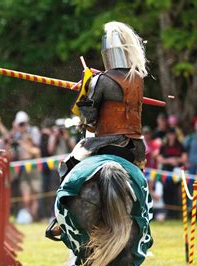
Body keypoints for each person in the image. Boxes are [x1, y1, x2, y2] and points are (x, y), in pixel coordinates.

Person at [59, 21, 148, 181]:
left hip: (104, 143)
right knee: (141, 183)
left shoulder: (101, 80)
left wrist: (86, 91)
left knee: (68, 168)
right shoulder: (139, 79)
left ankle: (64, 204)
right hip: (135, 147)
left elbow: (89, 117)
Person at [157, 128, 187, 218]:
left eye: (172, 134)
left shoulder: (180, 146)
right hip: (166, 173)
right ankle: (168, 213)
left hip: (177, 173)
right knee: (166, 191)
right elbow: (159, 159)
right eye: (169, 134)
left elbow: (185, 158)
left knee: (176, 192)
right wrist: (169, 161)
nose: (171, 136)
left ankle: (176, 214)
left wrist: (176, 160)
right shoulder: (164, 146)